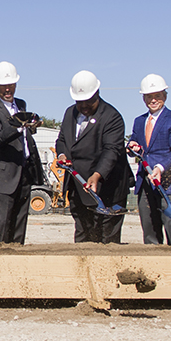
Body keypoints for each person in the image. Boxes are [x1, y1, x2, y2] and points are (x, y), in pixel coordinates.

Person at [55, 70, 129, 244]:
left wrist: (97, 175)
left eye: (89, 102)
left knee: (106, 238)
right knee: (82, 232)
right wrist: (62, 154)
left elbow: (111, 151)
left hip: (107, 187)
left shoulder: (112, 117)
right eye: (80, 102)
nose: (84, 106)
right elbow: (62, 140)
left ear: (97, 93)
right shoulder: (69, 114)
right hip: (78, 186)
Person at [0, 62, 45, 245]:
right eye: (3, 86)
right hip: (3, 175)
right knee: (1, 224)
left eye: (11, 85)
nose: (8, 89)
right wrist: (18, 125)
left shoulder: (21, 105)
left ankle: (17, 260)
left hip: (23, 172)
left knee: (19, 222)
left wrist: (31, 126)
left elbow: (25, 136)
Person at [126, 74, 171, 245]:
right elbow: (134, 146)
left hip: (169, 182)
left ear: (165, 96)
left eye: (157, 96)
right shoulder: (139, 121)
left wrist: (161, 168)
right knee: (150, 230)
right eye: (149, 97)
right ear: (143, 98)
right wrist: (132, 147)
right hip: (145, 182)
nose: (153, 100)